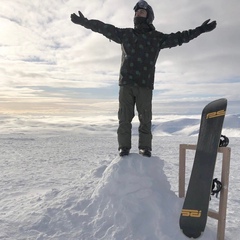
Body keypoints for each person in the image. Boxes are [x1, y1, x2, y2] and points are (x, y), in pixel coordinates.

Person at [71, 0, 217, 157]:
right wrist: (85, 22)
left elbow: (181, 37)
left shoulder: (157, 38)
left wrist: (200, 30)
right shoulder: (125, 34)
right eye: (136, 12)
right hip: (126, 83)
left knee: (145, 119)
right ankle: (124, 147)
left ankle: (145, 147)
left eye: (141, 12)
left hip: (145, 85)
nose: (137, 15)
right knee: (124, 118)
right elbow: (104, 28)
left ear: (149, 17)